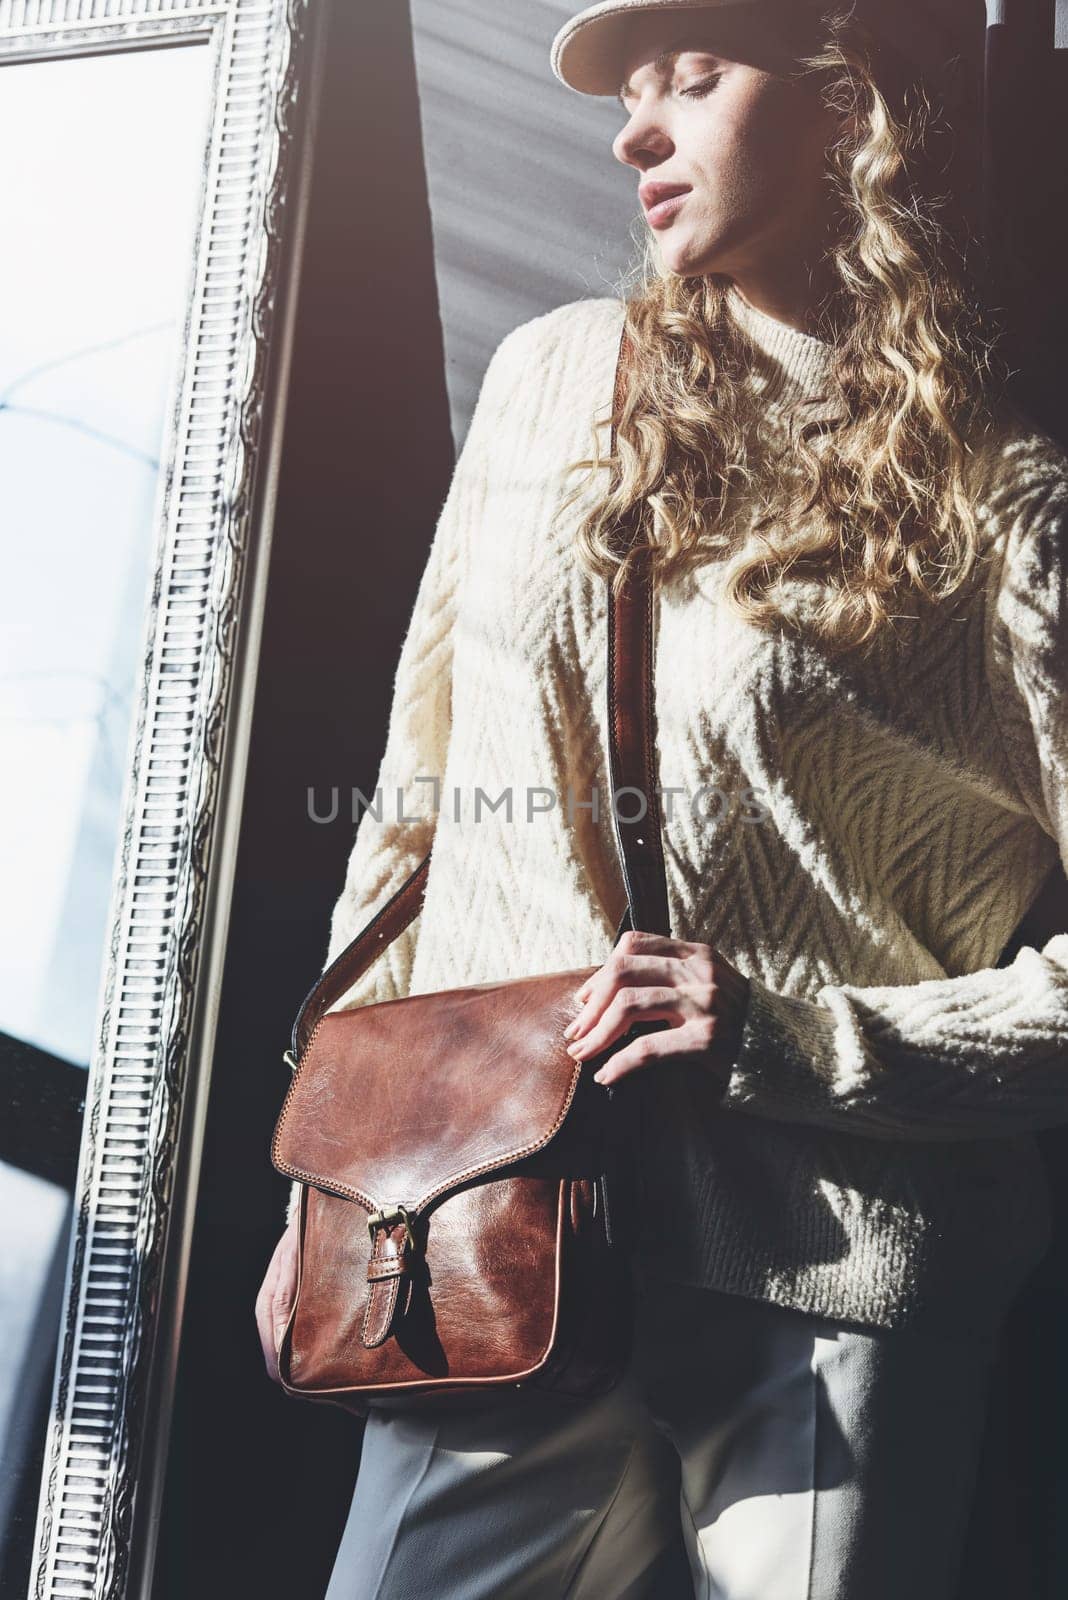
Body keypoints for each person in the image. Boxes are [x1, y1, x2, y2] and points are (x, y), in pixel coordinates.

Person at [255, 1, 1068, 1594]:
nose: (638, 132)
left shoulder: (1005, 508)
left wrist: (800, 1039)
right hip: (492, 1225)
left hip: (842, 1276)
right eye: (632, 97)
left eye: (695, 80)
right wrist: (339, 1172)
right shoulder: (550, 380)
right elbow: (421, 802)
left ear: (852, 103)